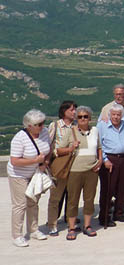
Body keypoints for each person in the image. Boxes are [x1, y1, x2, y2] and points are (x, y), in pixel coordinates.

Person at [8, 109, 51, 247]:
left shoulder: (44, 133)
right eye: (38, 124)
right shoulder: (19, 138)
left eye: (43, 123)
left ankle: (33, 229)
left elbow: (48, 150)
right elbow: (14, 160)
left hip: (35, 173)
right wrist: (34, 161)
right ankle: (17, 235)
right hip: (18, 174)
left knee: (33, 202)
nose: (42, 126)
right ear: (29, 126)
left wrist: (45, 163)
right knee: (20, 204)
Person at [58, 106, 102, 240]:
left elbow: (99, 147)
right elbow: (59, 150)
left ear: (90, 118)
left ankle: (87, 226)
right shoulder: (70, 132)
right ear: (76, 119)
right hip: (75, 171)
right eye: (80, 117)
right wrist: (72, 147)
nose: (83, 119)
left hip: (92, 170)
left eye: (85, 116)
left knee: (89, 199)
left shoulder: (95, 131)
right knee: (73, 200)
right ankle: (71, 228)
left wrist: (100, 160)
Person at [46, 100, 77, 236]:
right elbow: (49, 146)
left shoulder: (76, 126)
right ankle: (52, 223)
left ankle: (70, 219)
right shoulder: (55, 126)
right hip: (60, 163)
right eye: (71, 110)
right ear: (64, 111)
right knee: (55, 196)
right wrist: (64, 151)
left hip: (74, 164)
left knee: (72, 195)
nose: (74, 112)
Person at [97, 104, 124, 226]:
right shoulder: (102, 125)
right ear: (109, 115)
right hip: (109, 158)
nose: (116, 117)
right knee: (108, 189)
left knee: (122, 188)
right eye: (114, 114)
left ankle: (119, 213)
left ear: (122, 116)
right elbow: (98, 144)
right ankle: (104, 216)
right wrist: (105, 159)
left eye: (118, 115)